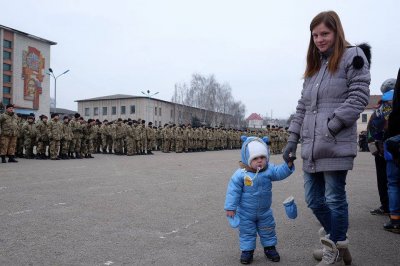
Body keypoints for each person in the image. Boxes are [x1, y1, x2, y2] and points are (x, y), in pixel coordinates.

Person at [283, 11, 371, 265]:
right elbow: (302, 106)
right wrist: (292, 139)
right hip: (311, 144)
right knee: (313, 199)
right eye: (315, 35)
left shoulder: (353, 57)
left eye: (325, 33)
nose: (319, 39)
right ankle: (337, 241)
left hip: (334, 142)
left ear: (336, 32)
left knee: (334, 198)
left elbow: (358, 97)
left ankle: (333, 248)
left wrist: (331, 126)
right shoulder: (314, 66)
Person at [224, 136, 295, 264]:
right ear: (247, 158)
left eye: (262, 158)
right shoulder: (241, 174)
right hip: (246, 212)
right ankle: (247, 251)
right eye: (255, 158)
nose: (259, 161)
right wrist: (230, 207)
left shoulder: (269, 170)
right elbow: (233, 191)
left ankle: (269, 248)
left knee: (268, 229)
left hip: (264, 211)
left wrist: (288, 164)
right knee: (247, 232)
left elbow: (280, 172)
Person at [366, 79, 396, 216]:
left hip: (383, 148)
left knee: (385, 179)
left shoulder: (382, 106)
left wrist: (373, 147)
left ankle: (387, 207)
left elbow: (373, 127)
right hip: (394, 145)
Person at [383, 68, 400, 233]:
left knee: (394, 182)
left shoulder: (388, 103)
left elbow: (388, 121)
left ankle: (395, 219)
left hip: (395, 139)